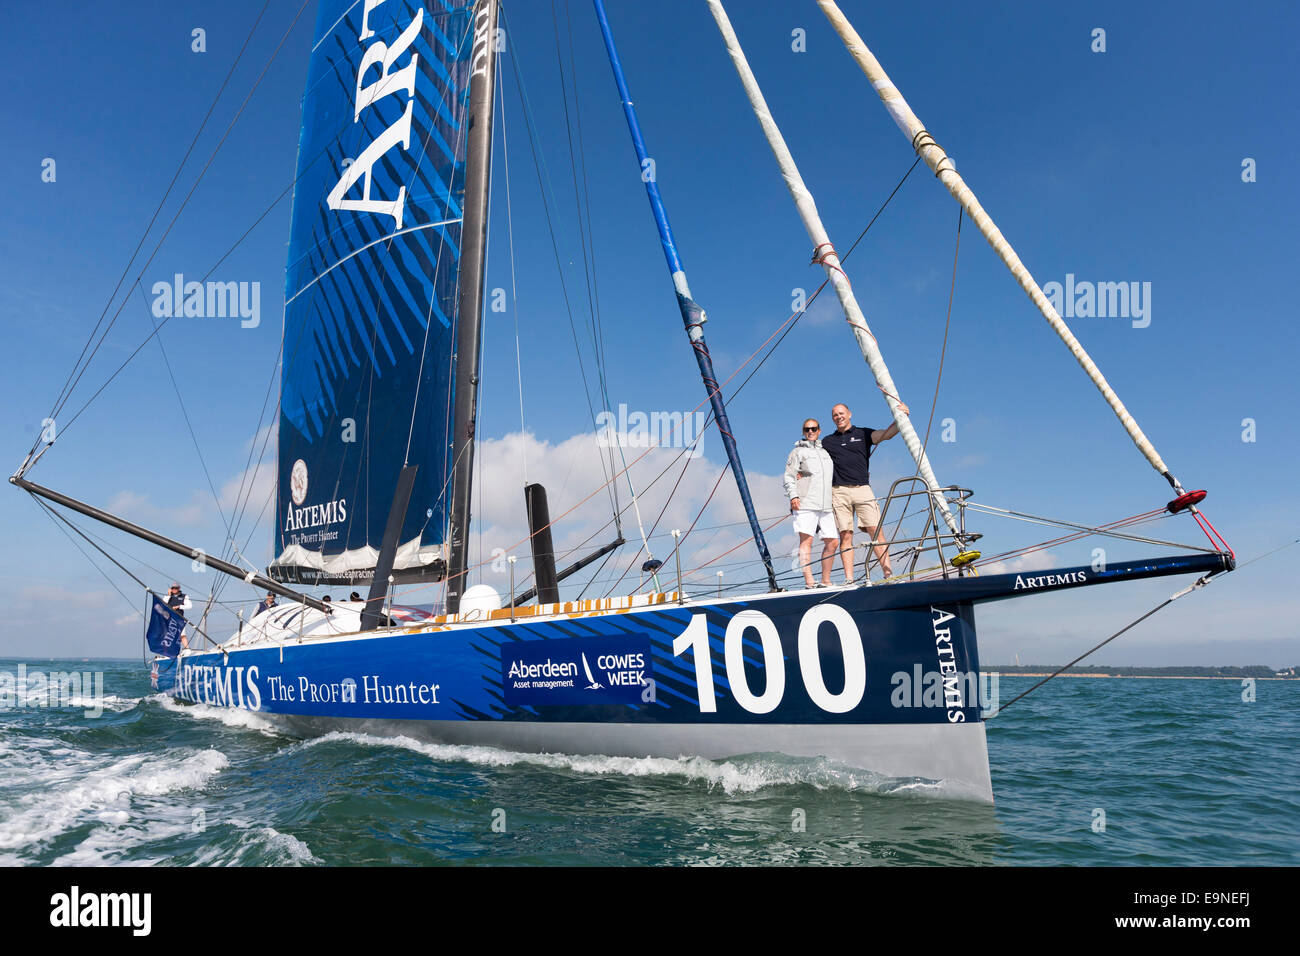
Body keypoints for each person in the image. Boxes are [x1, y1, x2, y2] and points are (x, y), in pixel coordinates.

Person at [821, 402, 908, 583]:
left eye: (841, 413)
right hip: (839, 491)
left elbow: (886, 435)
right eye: (835, 415)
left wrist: (902, 417)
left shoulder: (863, 433)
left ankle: (888, 574)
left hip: (862, 489)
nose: (839, 417)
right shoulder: (827, 442)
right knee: (846, 535)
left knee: (876, 531)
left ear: (849, 414)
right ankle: (849, 579)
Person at [783, 418, 838, 588]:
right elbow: (789, 476)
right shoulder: (797, 452)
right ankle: (809, 581)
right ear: (803, 432)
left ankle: (825, 580)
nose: (810, 432)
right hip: (805, 501)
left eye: (813, 429)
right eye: (807, 429)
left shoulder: (825, 452)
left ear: (819, 431)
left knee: (833, 541)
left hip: (826, 503)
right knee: (806, 541)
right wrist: (793, 496)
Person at [166, 582, 192, 648]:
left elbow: (189, 606)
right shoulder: (168, 596)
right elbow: (163, 603)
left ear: (179, 588)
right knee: (169, 636)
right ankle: (168, 651)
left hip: (179, 619)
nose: (174, 589)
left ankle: (187, 649)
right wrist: (168, 595)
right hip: (169, 619)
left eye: (176, 588)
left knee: (182, 634)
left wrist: (179, 606)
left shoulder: (184, 596)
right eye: (173, 588)